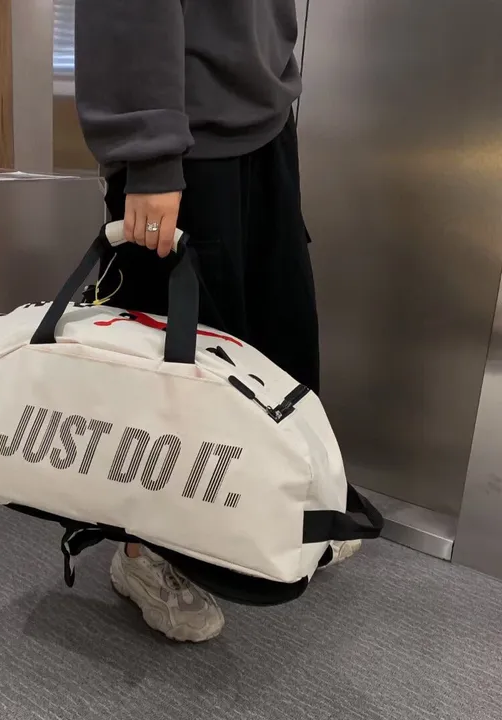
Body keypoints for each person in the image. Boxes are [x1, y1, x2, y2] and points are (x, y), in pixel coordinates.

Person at [74, 0, 360, 643]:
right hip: (181, 132)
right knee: (170, 357)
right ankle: (143, 551)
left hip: (264, 117)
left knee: (275, 334)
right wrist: (148, 151)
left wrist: (274, 72)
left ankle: (268, 513)